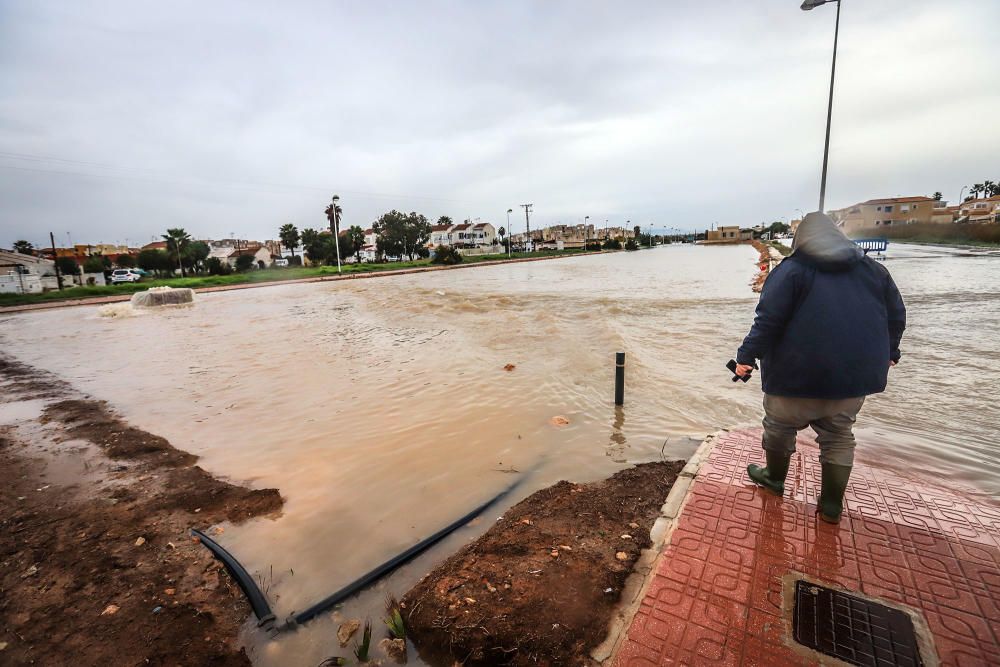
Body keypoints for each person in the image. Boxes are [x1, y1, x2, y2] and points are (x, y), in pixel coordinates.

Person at [734, 212, 906, 523]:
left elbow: (768, 322)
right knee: (839, 435)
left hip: (794, 376)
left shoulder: (791, 271)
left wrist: (746, 357)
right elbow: (896, 316)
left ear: (801, 241)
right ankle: (830, 506)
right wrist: (891, 352)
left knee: (779, 427)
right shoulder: (875, 271)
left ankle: (774, 478)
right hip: (851, 380)